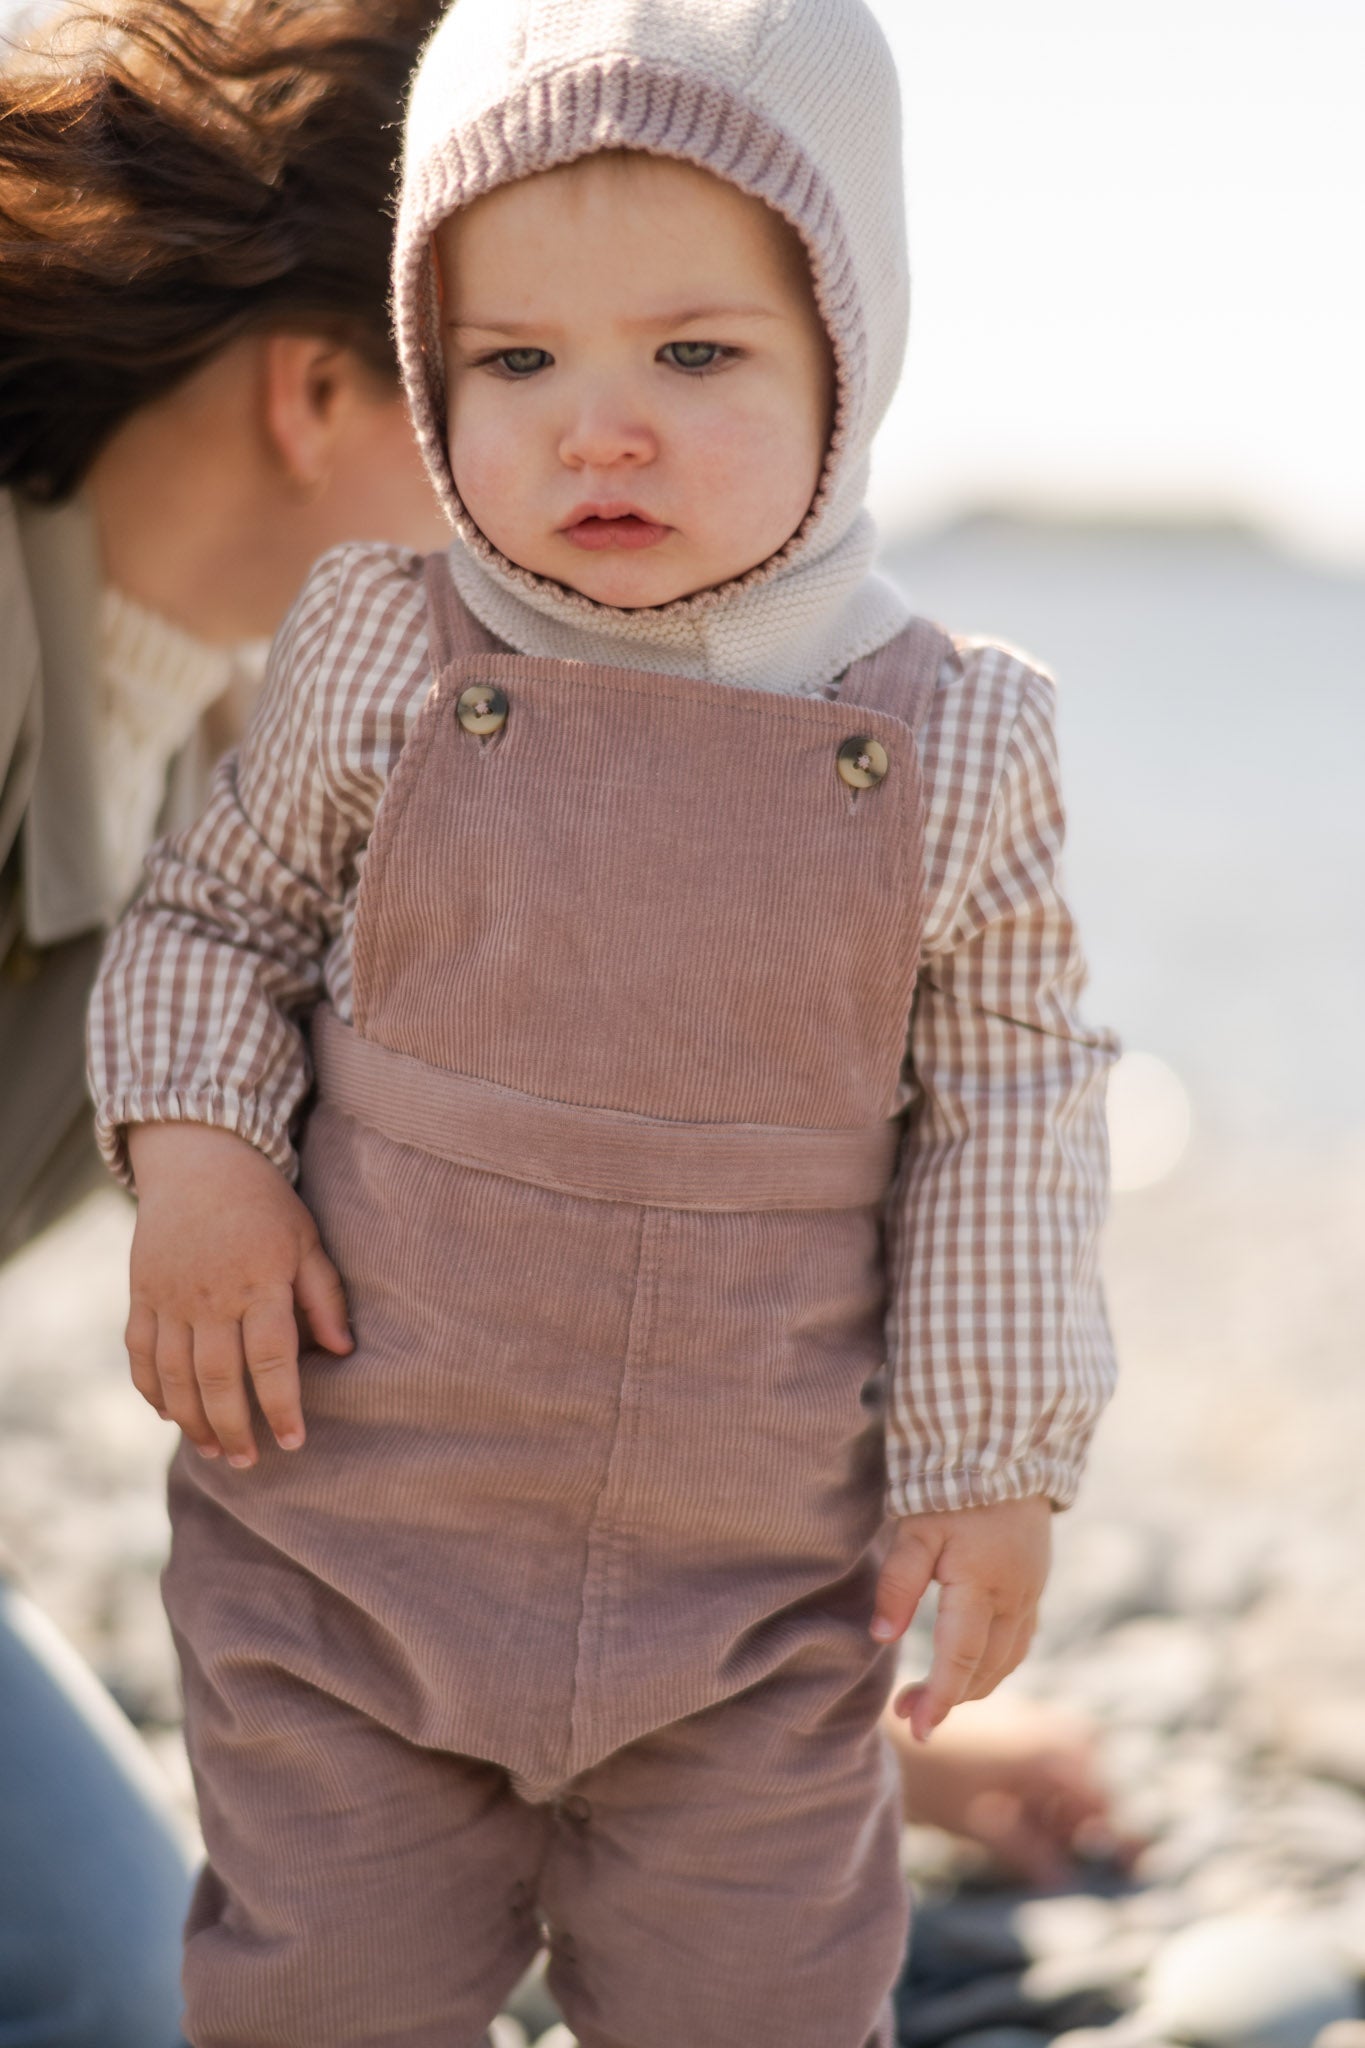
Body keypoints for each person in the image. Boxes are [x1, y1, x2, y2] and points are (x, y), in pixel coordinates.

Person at [88, 0, 1120, 2040]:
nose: (598, 427)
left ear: (851, 344)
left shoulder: (952, 735)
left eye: (693, 354)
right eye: (516, 362)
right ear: (425, 363)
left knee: (758, 1987)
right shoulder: (384, 639)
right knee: (320, 1984)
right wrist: (200, 1152)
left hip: (748, 1600)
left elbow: (1012, 1098)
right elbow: (214, 917)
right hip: (354, 1549)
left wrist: (989, 1457)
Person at [0, 1, 446, 2038]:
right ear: (324, 387)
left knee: (142, 1988)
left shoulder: (256, 757)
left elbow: (405, 1337)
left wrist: (794, 1732)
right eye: (507, 377)